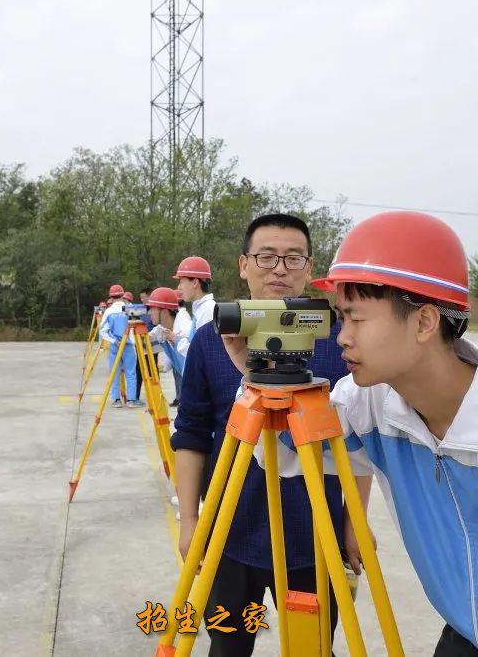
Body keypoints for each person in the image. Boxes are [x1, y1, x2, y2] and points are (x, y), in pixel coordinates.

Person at [242, 211, 478, 656]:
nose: (342, 338)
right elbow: (284, 451)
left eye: (356, 319)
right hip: (462, 637)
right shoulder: (370, 405)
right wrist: (255, 371)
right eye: (340, 319)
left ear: (424, 322)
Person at [172, 214, 348, 655]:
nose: (280, 269)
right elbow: (191, 434)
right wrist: (190, 520)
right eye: (266, 256)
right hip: (229, 534)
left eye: (293, 258)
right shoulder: (215, 338)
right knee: (227, 648)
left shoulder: (339, 339)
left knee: (311, 649)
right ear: (243, 265)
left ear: (310, 268)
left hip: (314, 536)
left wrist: (351, 520)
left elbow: (354, 439)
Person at [98, 284, 144, 408]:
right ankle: (131, 400)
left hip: (115, 346)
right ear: (122, 295)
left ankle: (116, 400)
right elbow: (137, 327)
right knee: (131, 372)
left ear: (111, 297)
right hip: (129, 345)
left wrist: (113, 340)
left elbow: (102, 331)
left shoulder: (108, 311)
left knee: (115, 372)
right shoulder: (129, 308)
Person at [174, 255, 216, 344]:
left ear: (195, 283)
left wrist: (177, 341)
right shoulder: (201, 309)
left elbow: (203, 352)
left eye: (181, 282)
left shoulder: (207, 310)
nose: (179, 288)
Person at [136, 285, 160, 403]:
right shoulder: (140, 310)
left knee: (153, 370)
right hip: (140, 344)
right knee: (139, 370)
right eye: (141, 298)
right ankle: (135, 396)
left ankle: (155, 394)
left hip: (152, 346)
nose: (142, 300)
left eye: (144, 297)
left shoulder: (154, 310)